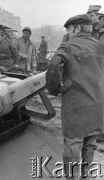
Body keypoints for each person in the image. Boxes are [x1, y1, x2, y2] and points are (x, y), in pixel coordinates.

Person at [46, 14, 104, 180]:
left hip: (76, 104)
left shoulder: (68, 46)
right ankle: (86, 176)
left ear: (77, 28)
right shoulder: (101, 46)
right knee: (90, 143)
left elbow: (53, 64)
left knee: (73, 144)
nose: (69, 34)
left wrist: (55, 89)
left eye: (69, 30)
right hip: (98, 104)